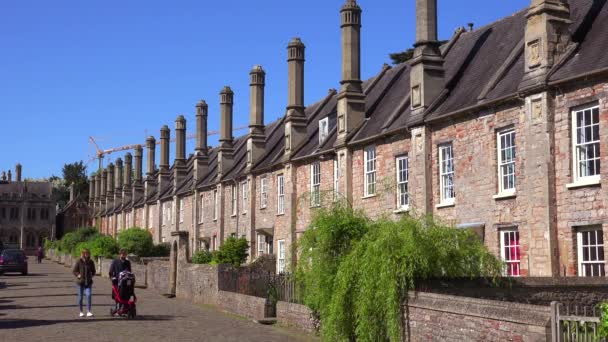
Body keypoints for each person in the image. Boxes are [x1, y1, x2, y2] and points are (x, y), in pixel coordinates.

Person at [72, 248, 96, 318]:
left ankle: (88, 311)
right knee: (80, 298)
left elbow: (94, 271)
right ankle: (81, 311)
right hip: (81, 282)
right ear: (83, 254)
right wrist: (78, 275)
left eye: (87, 253)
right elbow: (74, 271)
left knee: (88, 295)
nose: (86, 254)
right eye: (85, 253)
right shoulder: (79, 261)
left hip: (88, 282)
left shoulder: (91, 262)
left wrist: (92, 275)